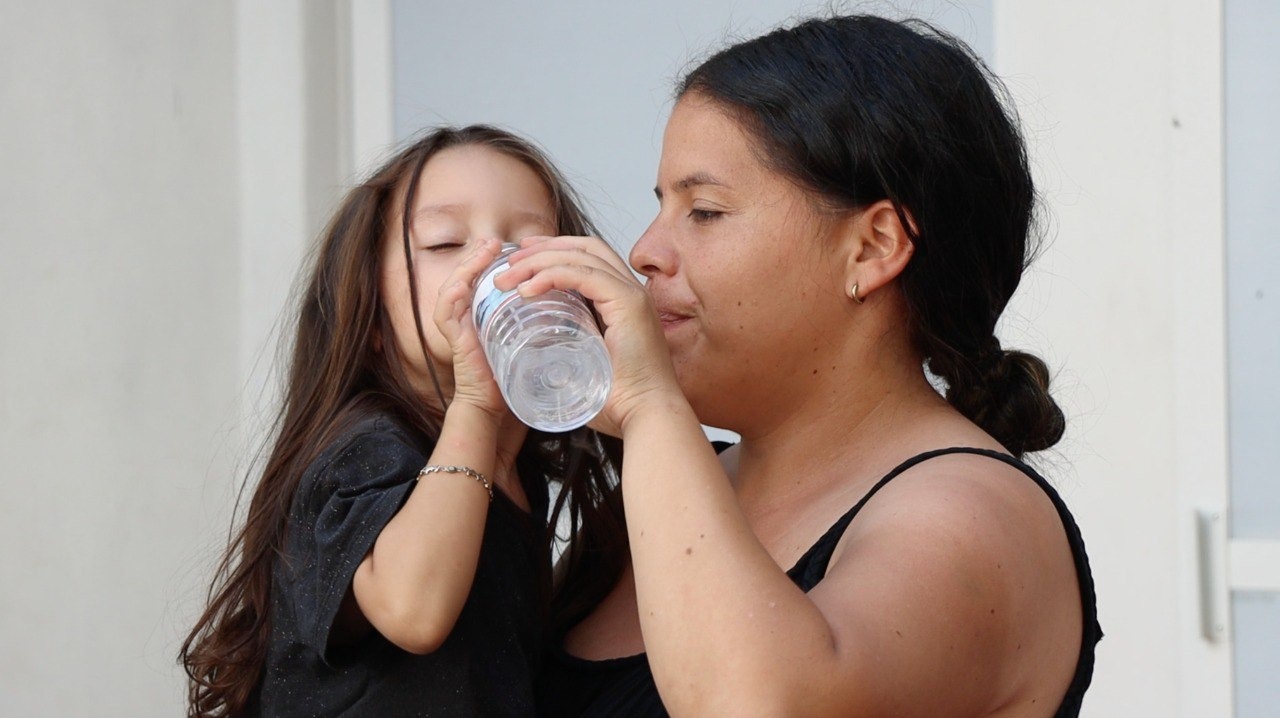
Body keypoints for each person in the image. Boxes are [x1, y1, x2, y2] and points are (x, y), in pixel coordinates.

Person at [505, 14, 1102, 718]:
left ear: (874, 247)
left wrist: (648, 407)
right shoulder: (679, 482)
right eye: (660, 207)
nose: (643, 250)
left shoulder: (975, 516)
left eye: (703, 211)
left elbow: (757, 703)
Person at [180, 125, 623, 717]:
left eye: (532, 246)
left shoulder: (511, 466)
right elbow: (413, 611)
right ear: (371, 322)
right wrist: (476, 406)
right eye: (444, 244)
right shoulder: (369, 447)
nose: (495, 264)